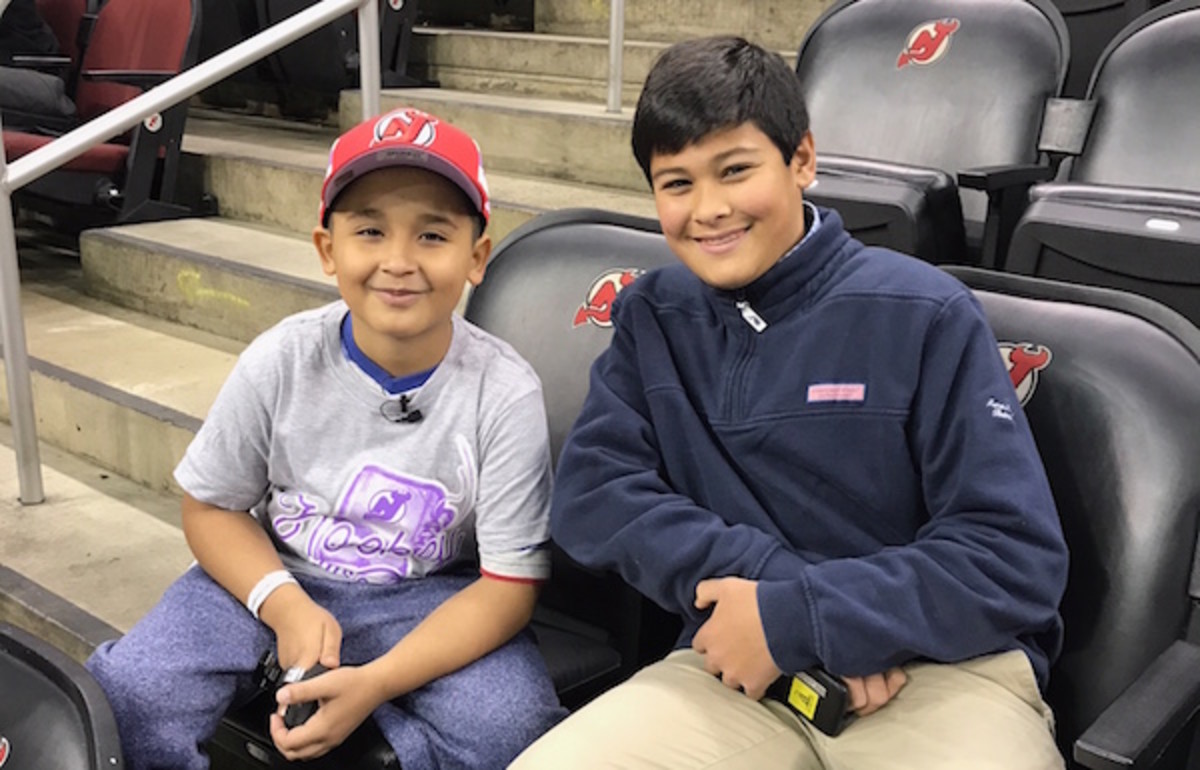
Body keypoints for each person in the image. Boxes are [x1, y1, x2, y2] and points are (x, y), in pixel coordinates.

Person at [511, 35, 1068, 770]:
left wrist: (806, 617)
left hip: (944, 675)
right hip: (736, 662)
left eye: (735, 171)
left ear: (801, 159)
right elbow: (594, 496)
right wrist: (774, 602)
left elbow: (1011, 557)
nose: (707, 209)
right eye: (675, 183)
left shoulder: (926, 313)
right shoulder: (654, 315)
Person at [86, 106, 567, 769]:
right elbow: (211, 506)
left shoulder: (504, 391)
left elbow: (509, 587)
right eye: (370, 230)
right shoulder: (280, 359)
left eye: (433, 236)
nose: (398, 261)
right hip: (272, 574)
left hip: (426, 594)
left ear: (477, 258)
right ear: (327, 249)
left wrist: (377, 682)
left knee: (513, 726)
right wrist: (281, 604)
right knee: (131, 691)